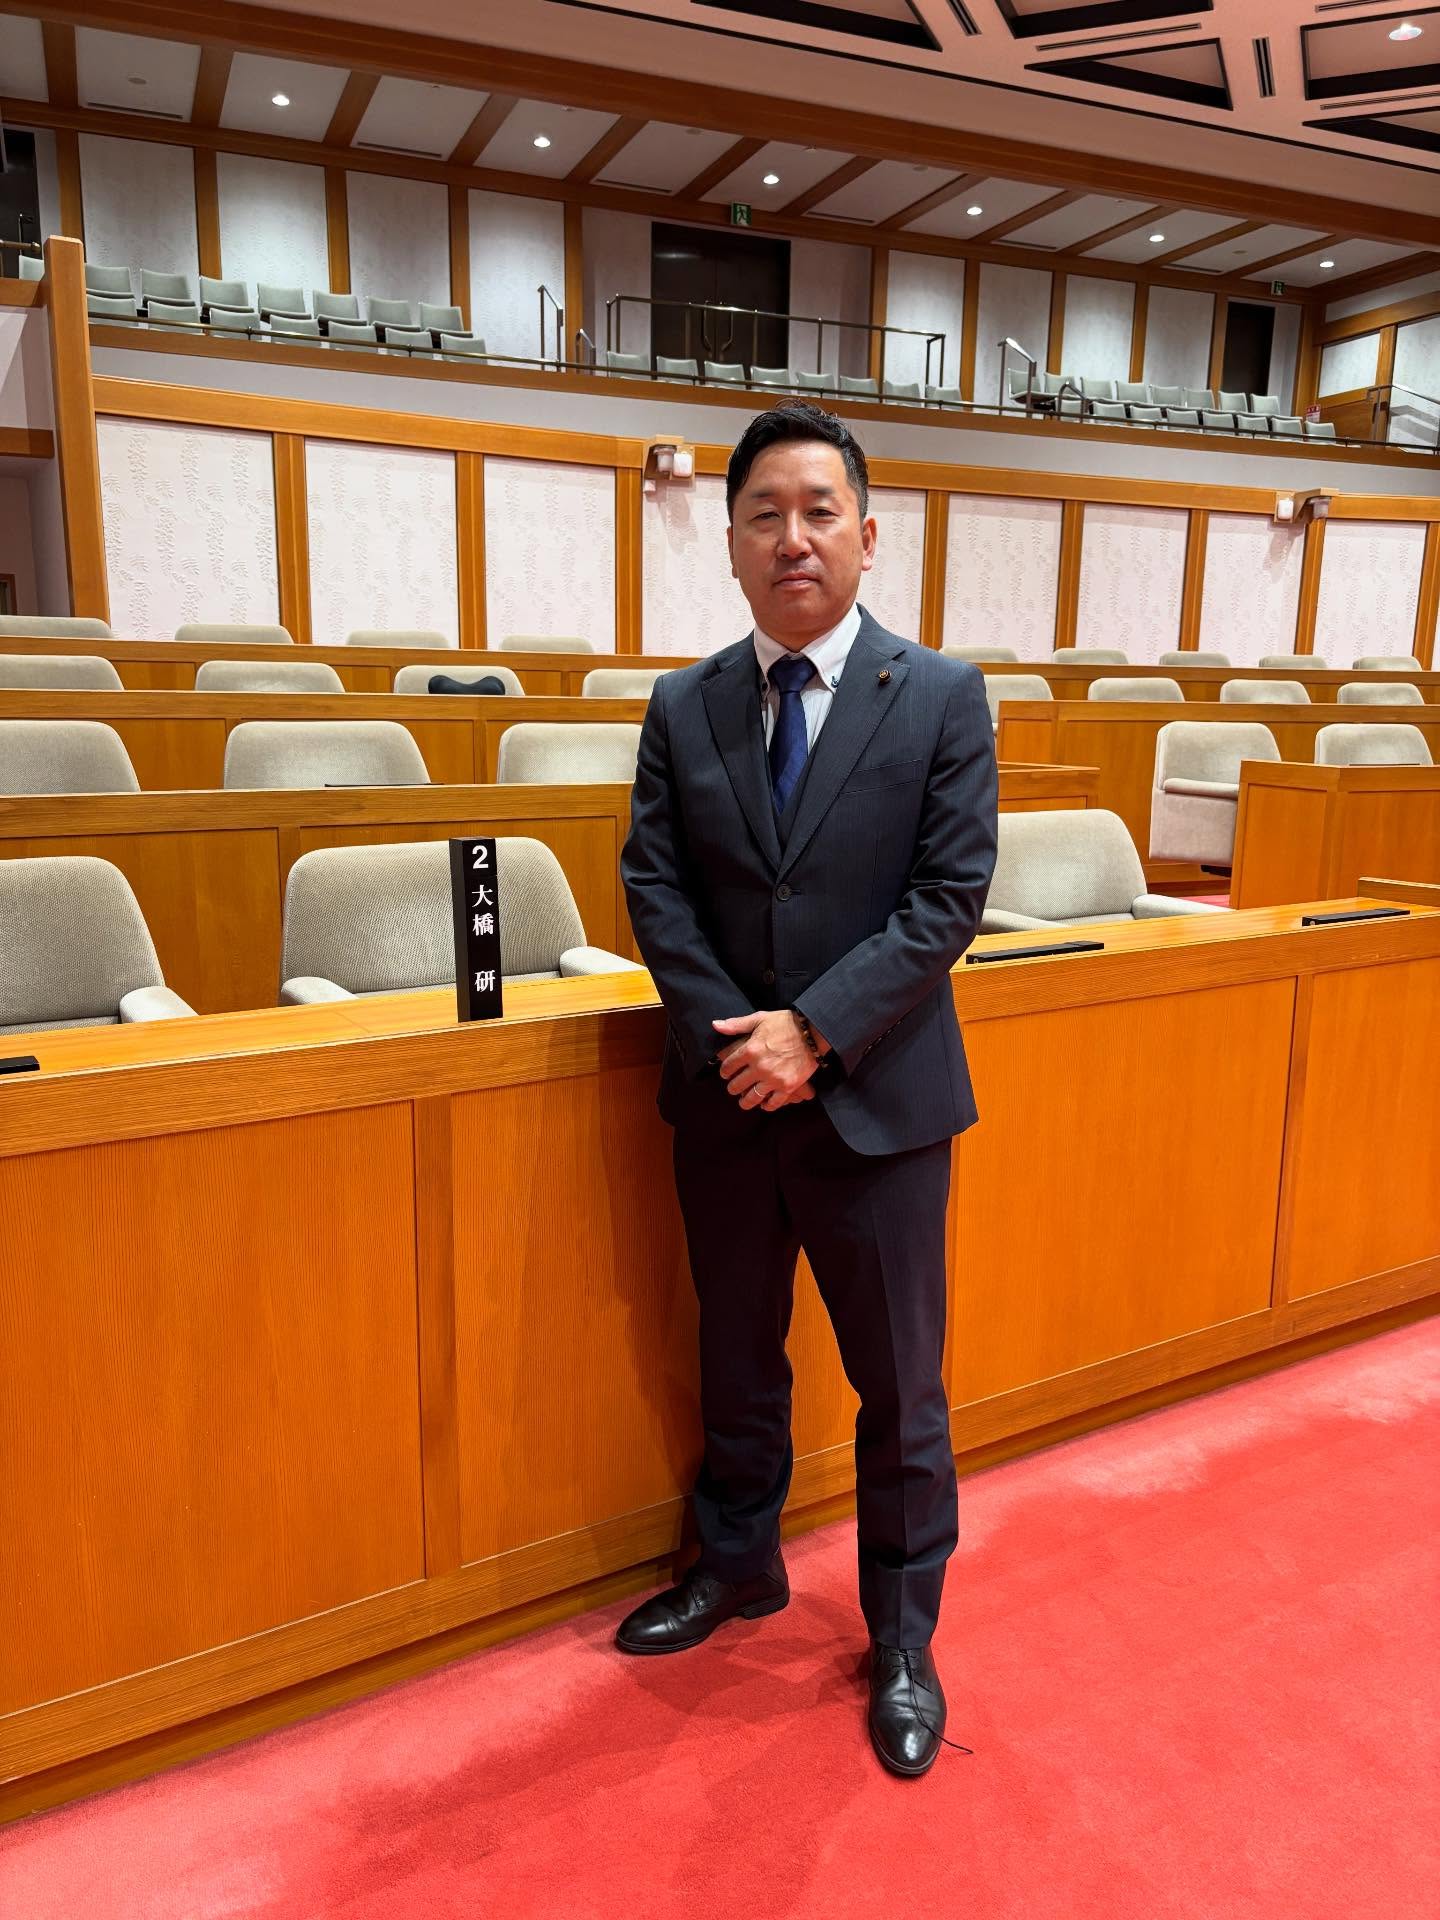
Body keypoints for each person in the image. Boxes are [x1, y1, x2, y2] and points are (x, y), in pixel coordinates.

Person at [617, 400, 998, 1777]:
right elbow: (654, 882)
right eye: (765, 514)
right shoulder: (684, 705)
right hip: (727, 1101)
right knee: (736, 1352)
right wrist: (742, 1039)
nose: (794, 537)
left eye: (819, 511)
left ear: (867, 536)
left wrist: (814, 1034)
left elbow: (947, 898)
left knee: (900, 1387)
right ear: (730, 543)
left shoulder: (940, 696)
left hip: (878, 1105)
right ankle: (737, 1563)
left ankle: (902, 1634)